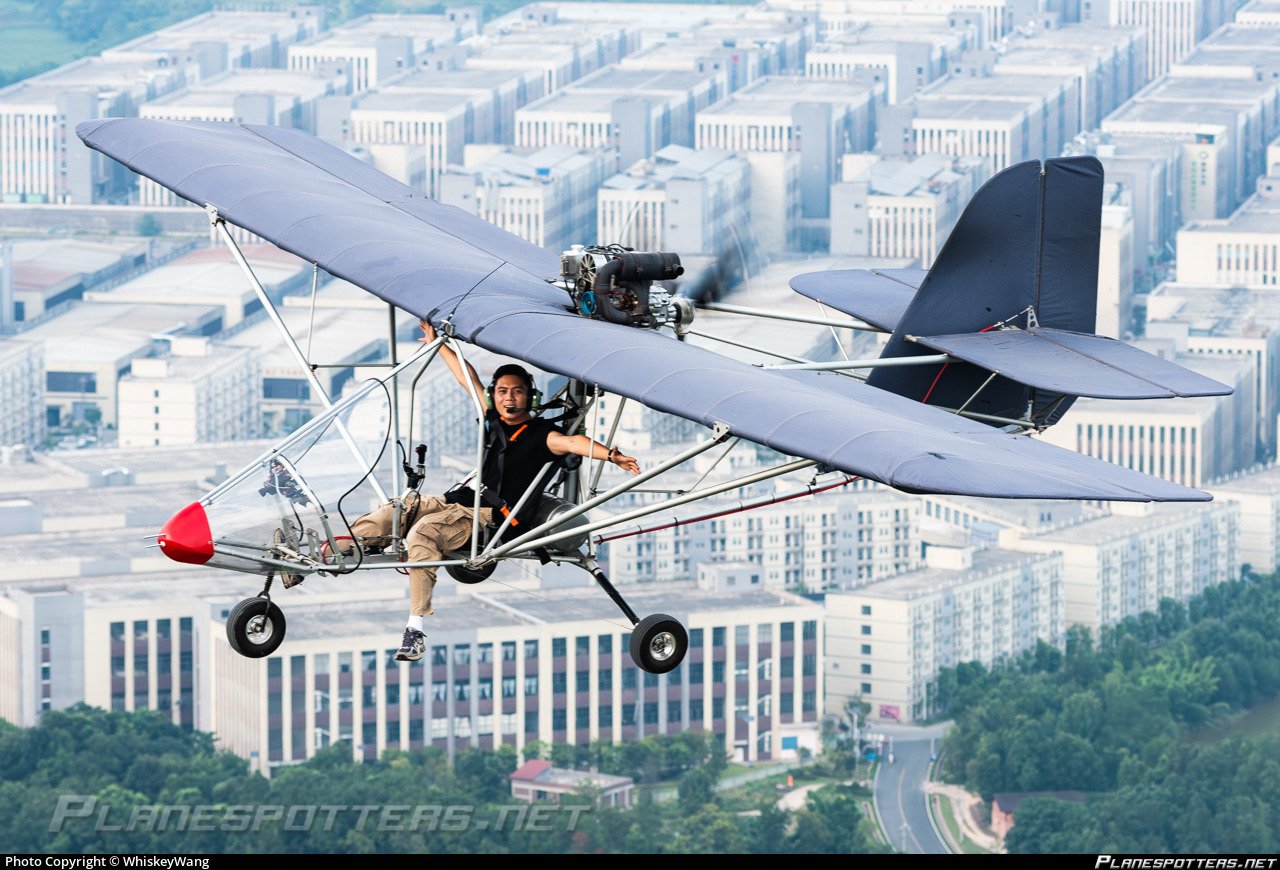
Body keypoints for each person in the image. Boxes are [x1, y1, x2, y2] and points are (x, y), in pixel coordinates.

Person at [349, 320, 640, 662]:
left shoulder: (542, 435)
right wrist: (439, 343)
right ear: (494, 396)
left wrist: (612, 456)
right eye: (502, 391)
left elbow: (574, 443)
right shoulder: (492, 419)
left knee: (422, 534)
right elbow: (467, 379)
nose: (509, 398)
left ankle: (415, 629)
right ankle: (334, 551)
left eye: (517, 391)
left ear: (530, 397)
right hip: (460, 501)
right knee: (397, 509)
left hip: (493, 518)